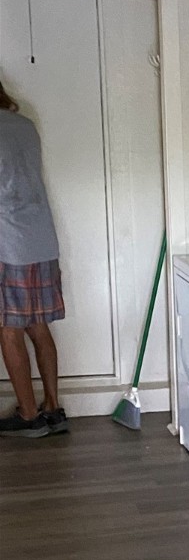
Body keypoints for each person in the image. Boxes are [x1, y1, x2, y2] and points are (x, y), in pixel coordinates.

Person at [0, 78, 67, 437]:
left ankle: (28, 414)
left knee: (7, 328)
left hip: (7, 242)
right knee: (38, 324)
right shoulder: (25, 125)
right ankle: (52, 408)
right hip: (41, 238)